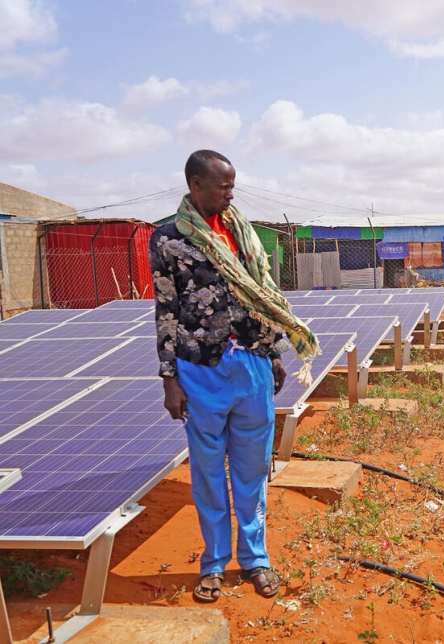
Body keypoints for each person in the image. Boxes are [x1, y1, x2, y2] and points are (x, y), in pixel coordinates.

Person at [150, 150, 319, 603]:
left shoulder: (244, 234)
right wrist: (169, 377)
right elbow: (166, 309)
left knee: (251, 471)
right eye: (222, 185)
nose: (230, 192)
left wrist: (277, 353)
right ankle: (212, 563)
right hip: (200, 370)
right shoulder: (168, 238)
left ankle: (255, 559)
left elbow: (264, 296)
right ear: (195, 184)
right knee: (207, 473)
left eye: (232, 185)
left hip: (253, 366)